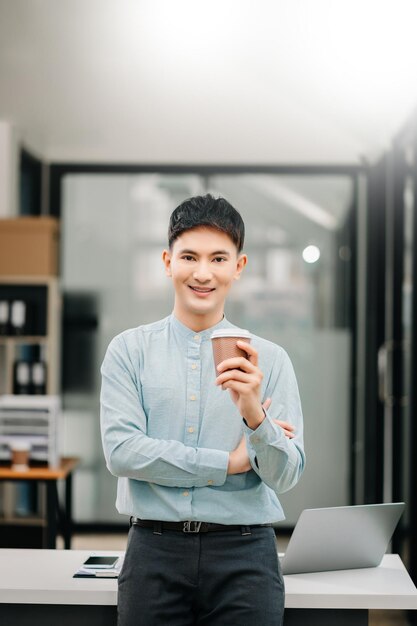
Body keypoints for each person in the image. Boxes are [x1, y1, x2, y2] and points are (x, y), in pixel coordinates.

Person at [100, 194, 305, 626]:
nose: (202, 273)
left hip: (246, 555)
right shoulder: (128, 351)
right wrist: (228, 463)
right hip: (154, 550)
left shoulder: (270, 359)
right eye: (189, 256)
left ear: (239, 266)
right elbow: (123, 453)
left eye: (218, 258)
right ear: (167, 261)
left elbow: (285, 475)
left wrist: (254, 415)